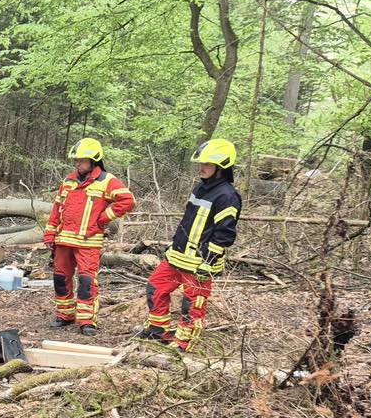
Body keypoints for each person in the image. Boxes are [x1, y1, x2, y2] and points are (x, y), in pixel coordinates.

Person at [140, 138, 242, 351]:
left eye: (207, 164)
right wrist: (173, 245)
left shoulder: (227, 196)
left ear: (221, 166)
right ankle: (158, 330)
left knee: (192, 303)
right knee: (155, 288)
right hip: (178, 256)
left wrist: (208, 262)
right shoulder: (201, 188)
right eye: (201, 163)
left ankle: (184, 343)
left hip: (200, 263)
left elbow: (224, 234)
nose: (201, 168)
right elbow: (188, 221)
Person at [43, 138, 136, 336]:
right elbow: (57, 209)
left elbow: (128, 201)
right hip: (64, 240)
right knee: (60, 279)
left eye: (81, 160)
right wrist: (50, 233)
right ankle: (64, 314)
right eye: (76, 160)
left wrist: (103, 218)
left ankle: (86, 321)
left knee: (86, 282)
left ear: (94, 160)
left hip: (88, 242)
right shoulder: (68, 181)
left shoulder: (106, 180)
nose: (77, 163)